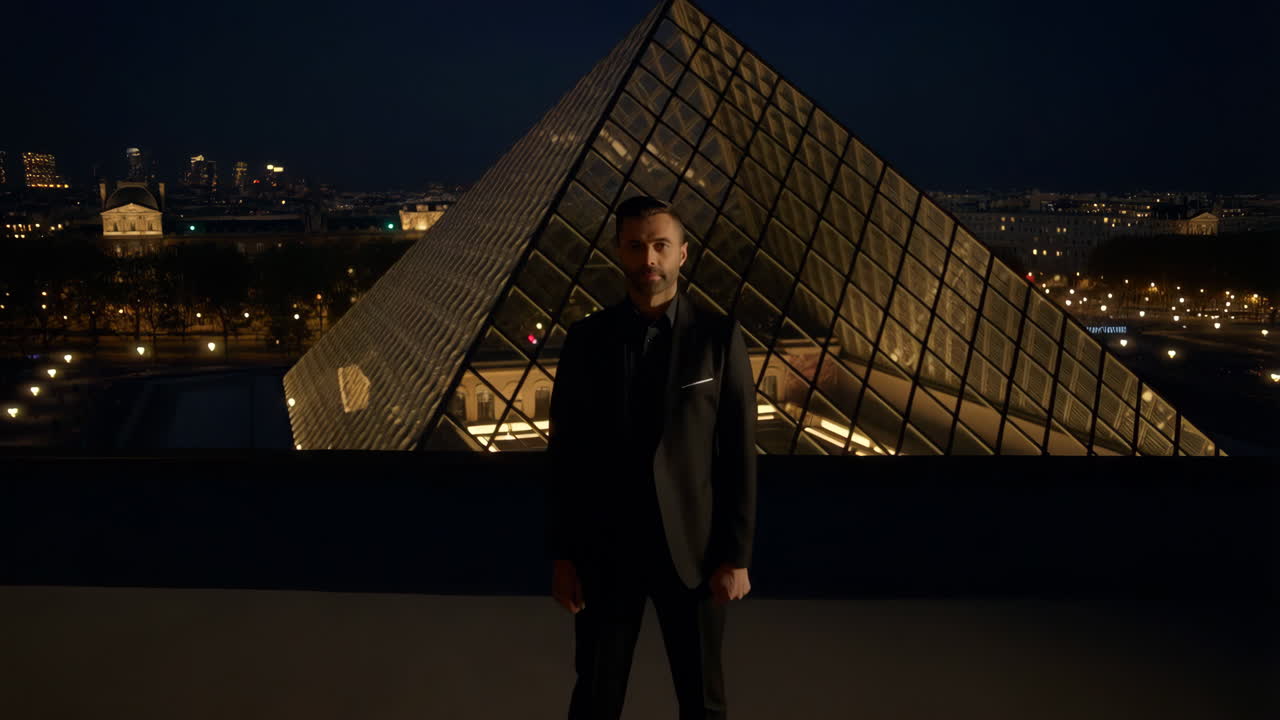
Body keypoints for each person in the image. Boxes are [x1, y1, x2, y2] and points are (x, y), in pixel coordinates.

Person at [545, 194, 758, 719]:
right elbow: (565, 457)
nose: (649, 260)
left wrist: (738, 554)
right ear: (619, 252)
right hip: (606, 551)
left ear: (682, 254)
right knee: (595, 697)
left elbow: (738, 454)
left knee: (704, 701)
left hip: (696, 551)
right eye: (636, 246)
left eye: (660, 246)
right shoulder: (584, 341)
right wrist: (564, 555)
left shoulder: (720, 338)